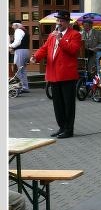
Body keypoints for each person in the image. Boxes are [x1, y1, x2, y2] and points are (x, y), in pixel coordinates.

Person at [30, 10, 82, 139]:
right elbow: (45, 48)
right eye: (58, 21)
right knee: (57, 104)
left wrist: (61, 39)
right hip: (53, 74)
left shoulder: (74, 35)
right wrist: (35, 57)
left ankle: (69, 130)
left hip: (67, 75)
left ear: (67, 22)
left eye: (61, 21)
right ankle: (61, 127)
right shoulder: (52, 35)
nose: (59, 23)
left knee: (68, 104)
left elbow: (73, 51)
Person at [9, 20, 30, 93]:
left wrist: (10, 46)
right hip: (26, 51)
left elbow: (18, 42)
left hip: (20, 51)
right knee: (22, 70)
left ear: (16, 25)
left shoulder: (18, 30)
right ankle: (25, 87)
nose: (12, 27)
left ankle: (19, 87)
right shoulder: (24, 30)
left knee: (17, 70)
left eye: (13, 25)